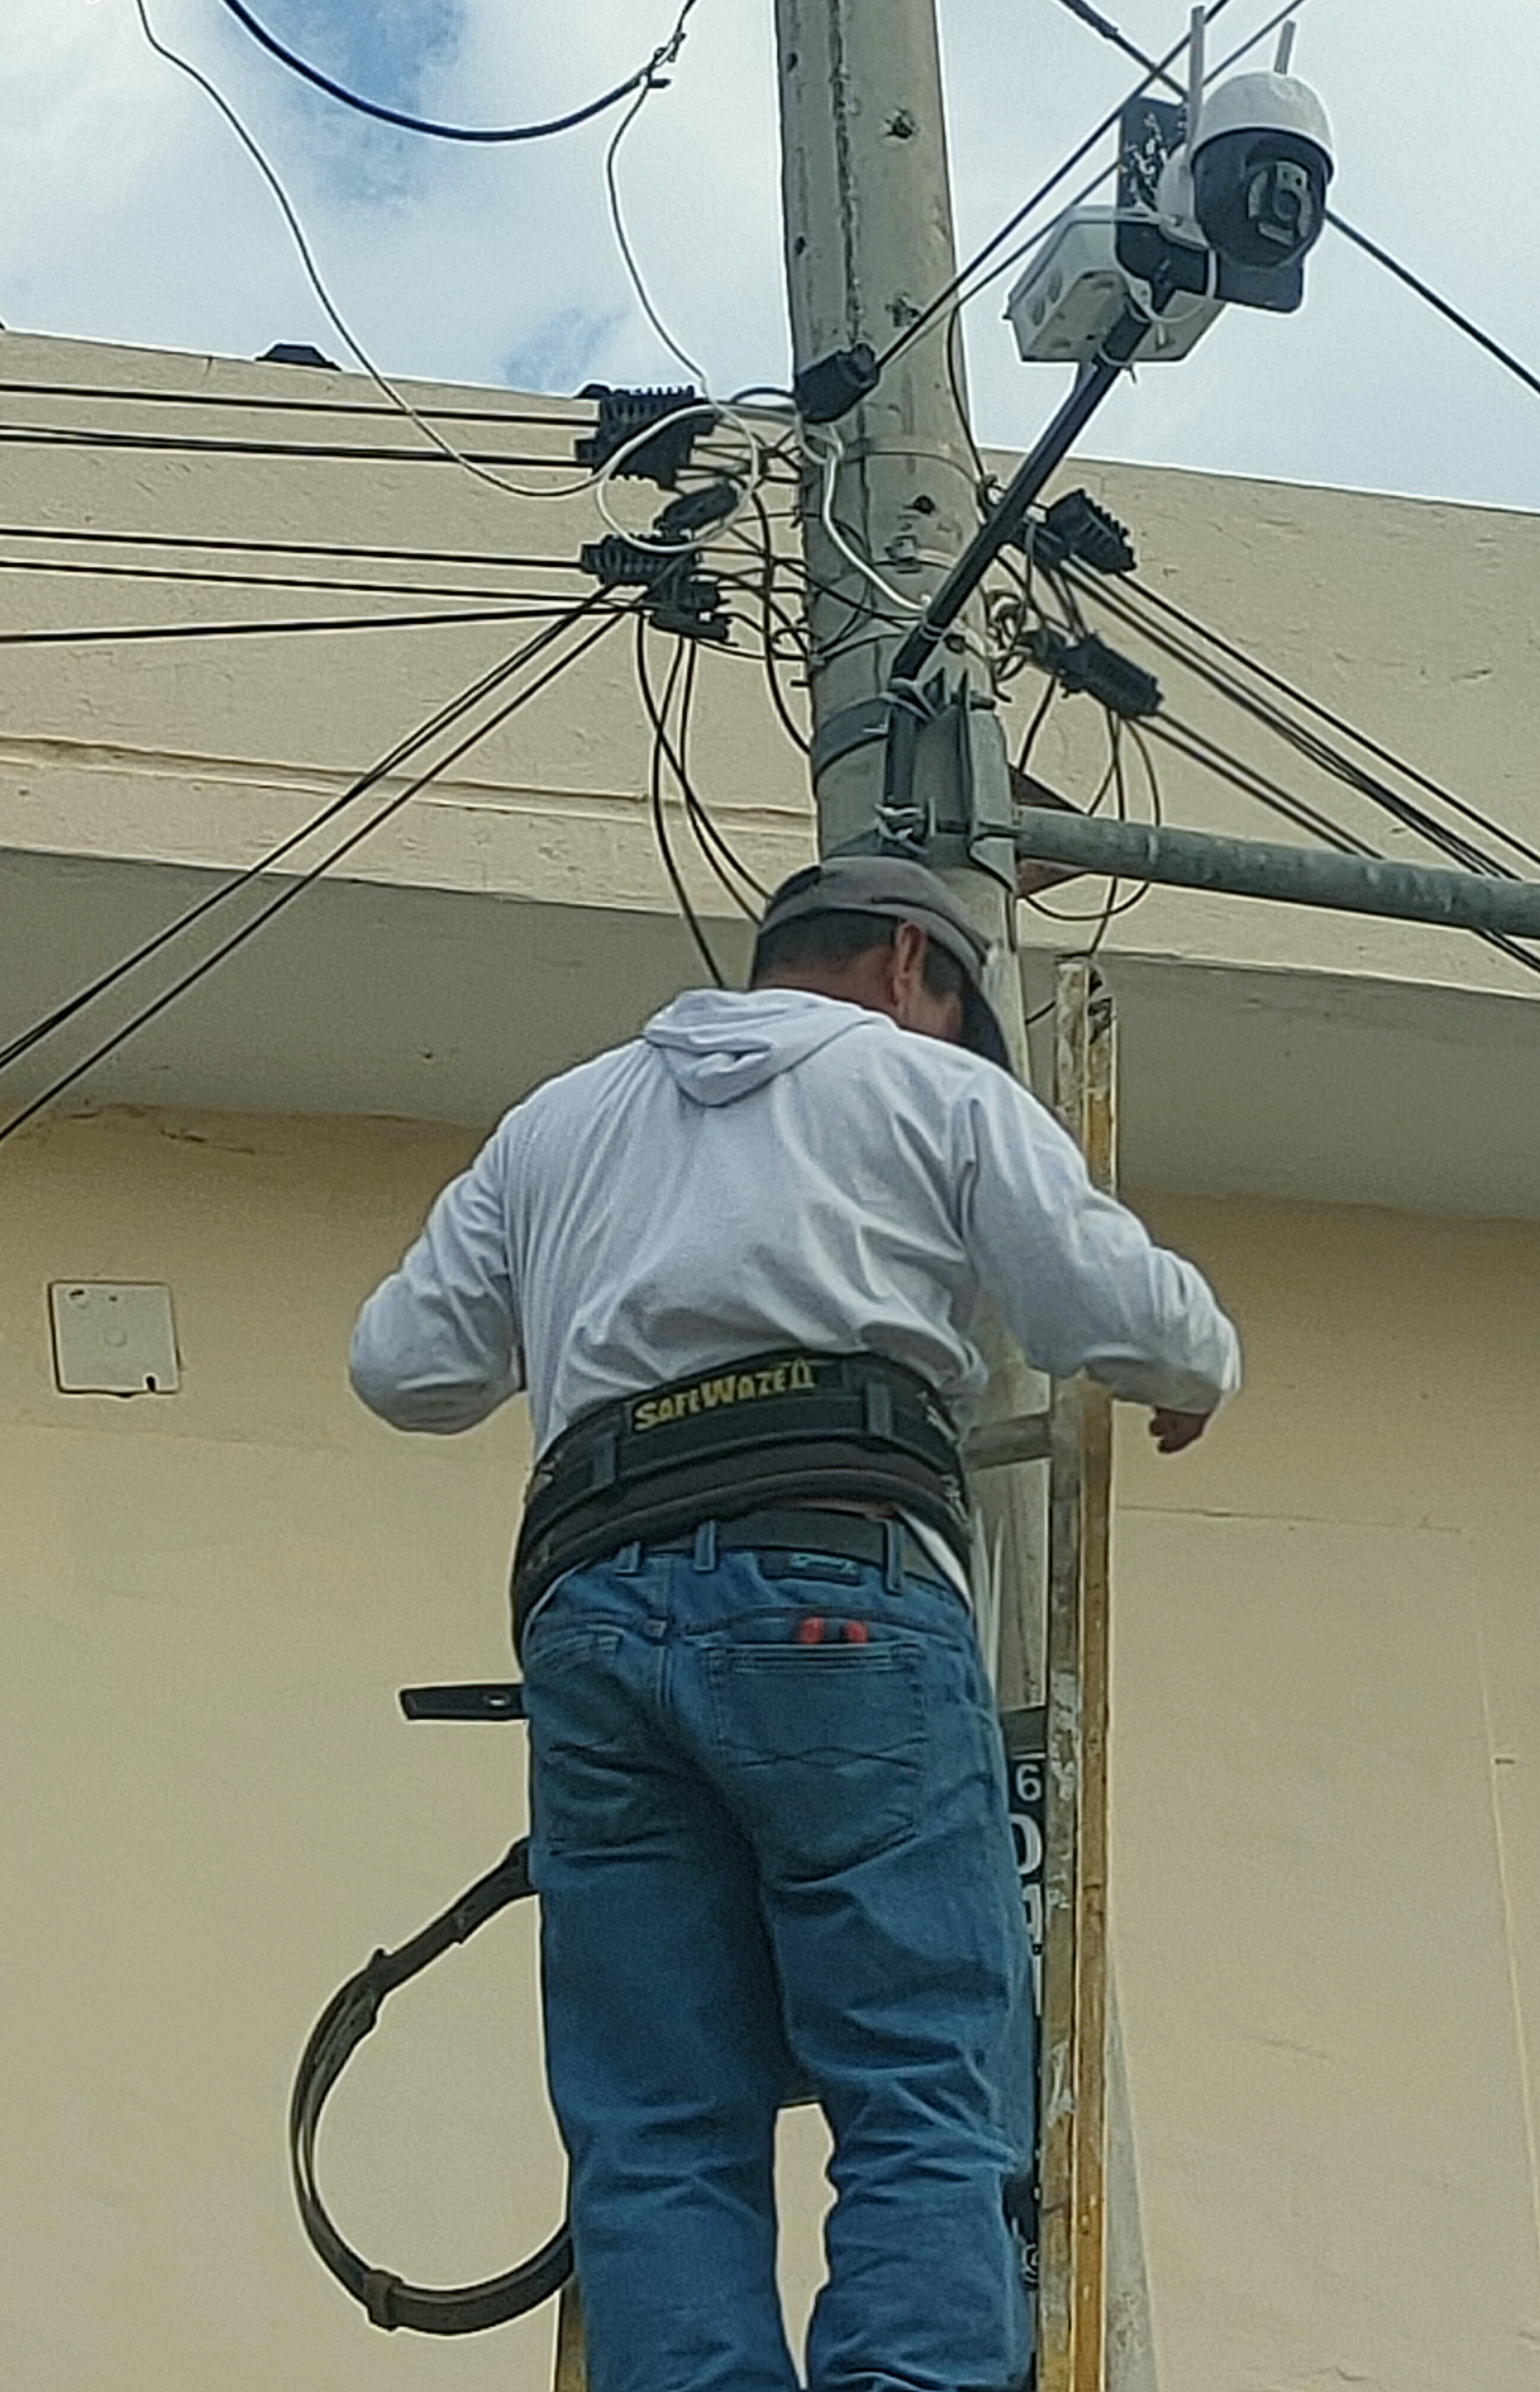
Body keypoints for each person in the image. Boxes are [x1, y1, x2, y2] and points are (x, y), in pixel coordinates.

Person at [350, 855, 1239, 2392]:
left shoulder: (559, 1125)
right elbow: (1101, 1300)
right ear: (909, 964)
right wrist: (1200, 1366)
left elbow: (404, 1367)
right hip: (835, 1594)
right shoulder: (927, 1088)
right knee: (917, 2072)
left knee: (653, 2117)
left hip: (593, 1620)